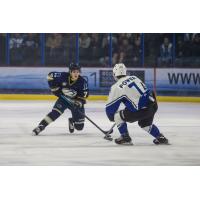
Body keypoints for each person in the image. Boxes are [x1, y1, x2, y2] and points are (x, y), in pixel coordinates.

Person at [105, 63, 169, 145]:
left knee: (117, 116)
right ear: (125, 72)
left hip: (140, 110)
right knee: (145, 124)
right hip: (152, 105)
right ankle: (160, 137)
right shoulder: (134, 77)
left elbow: (110, 108)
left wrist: (112, 118)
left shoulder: (116, 87)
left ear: (114, 74)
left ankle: (125, 138)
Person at [32, 63, 89, 135]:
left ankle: (72, 120)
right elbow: (50, 75)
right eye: (74, 72)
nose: (76, 74)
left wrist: (79, 102)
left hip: (75, 102)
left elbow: (84, 96)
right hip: (63, 99)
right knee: (55, 113)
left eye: (77, 72)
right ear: (70, 72)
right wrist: (53, 87)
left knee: (79, 127)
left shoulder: (82, 82)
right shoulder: (63, 76)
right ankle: (40, 126)